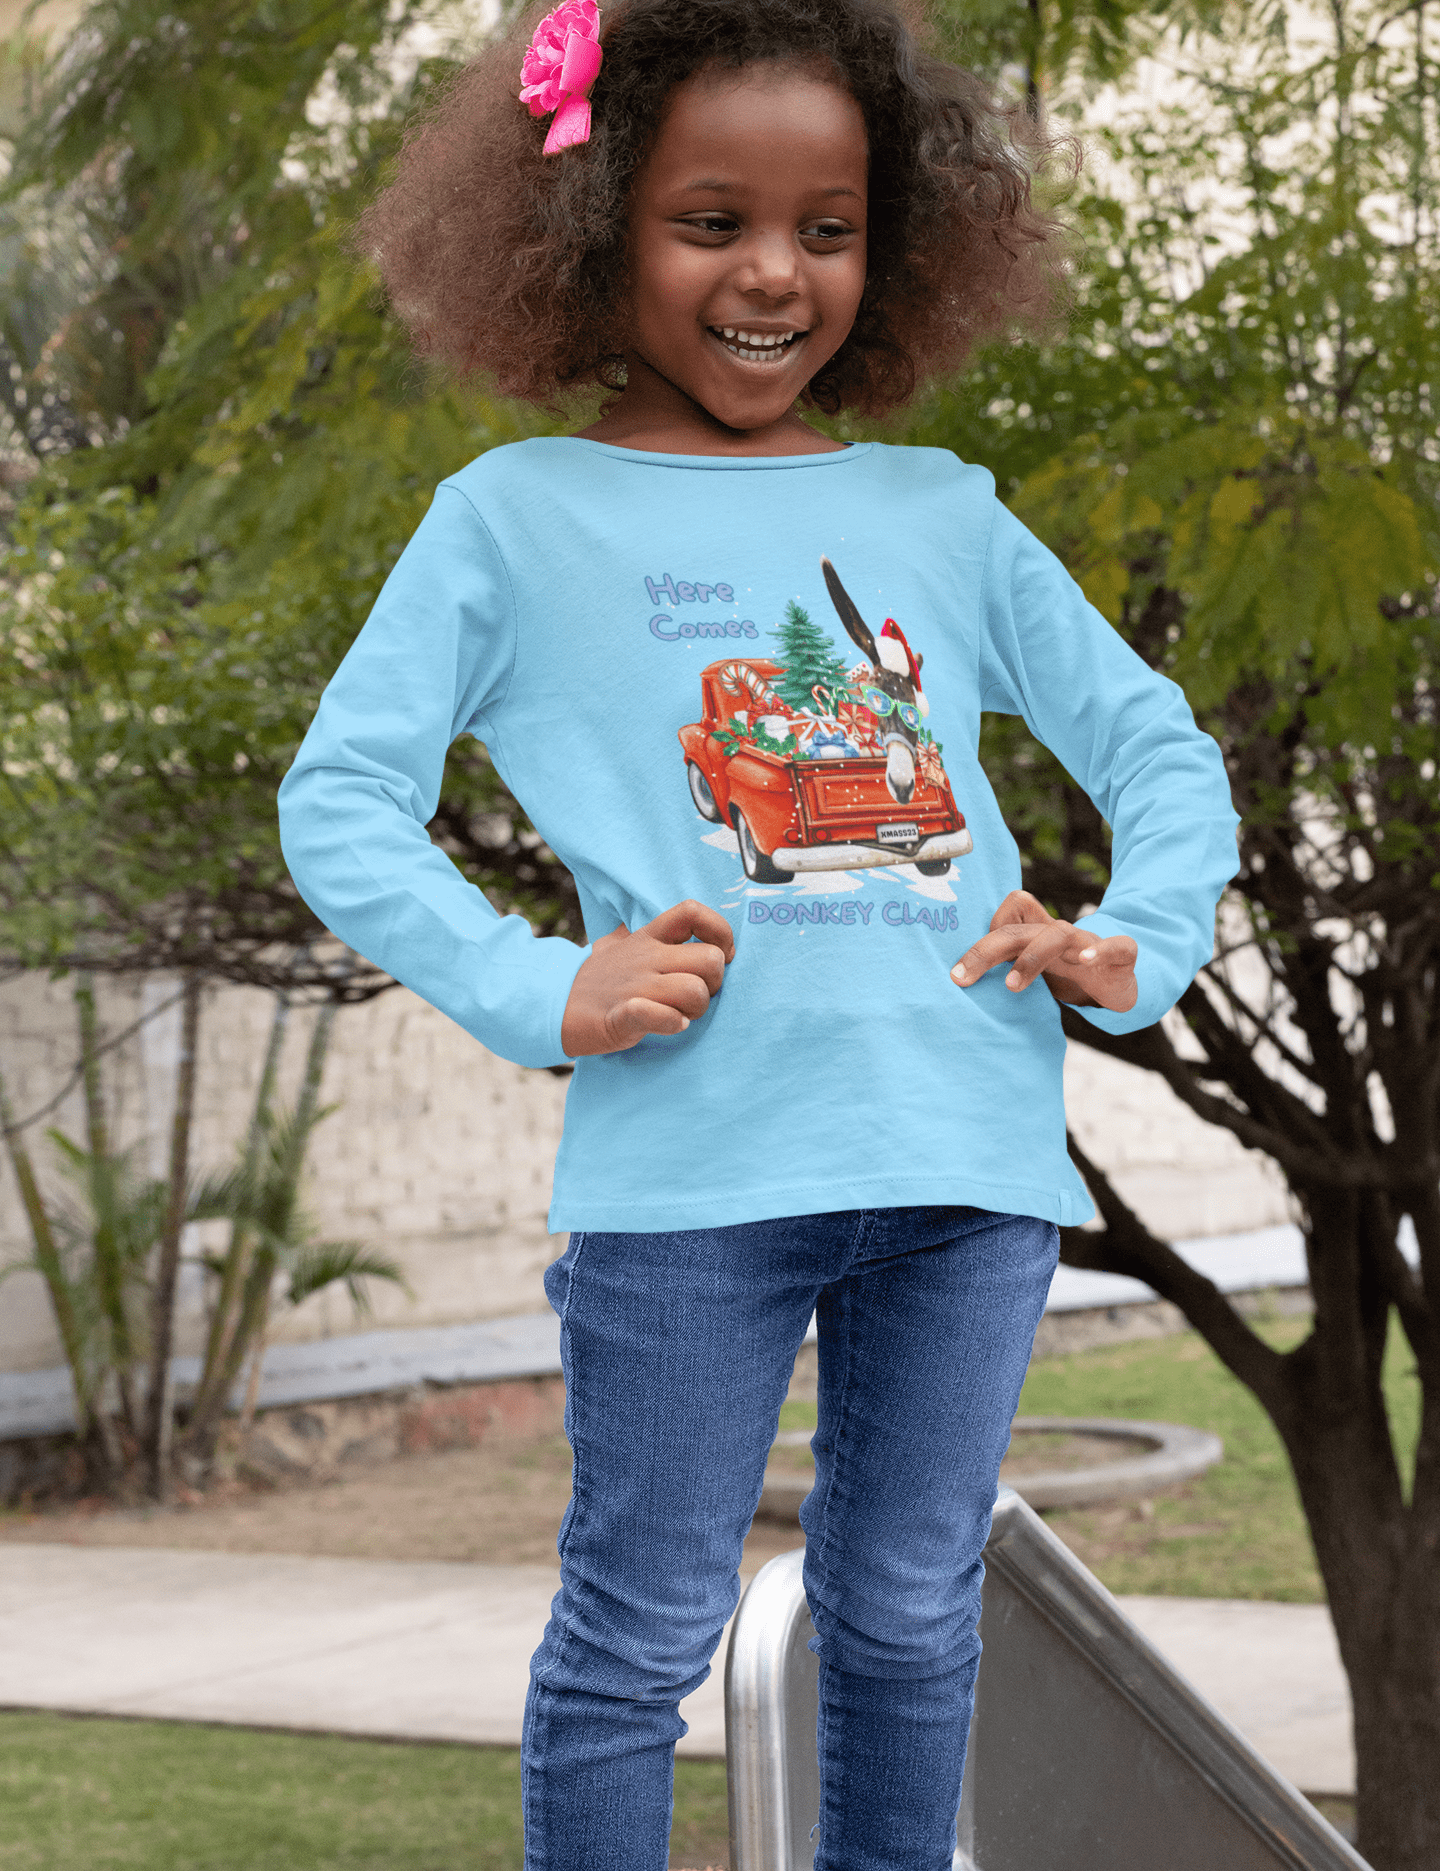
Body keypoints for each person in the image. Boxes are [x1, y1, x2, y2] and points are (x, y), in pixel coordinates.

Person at [277, 0, 1239, 1863]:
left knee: (908, 1615)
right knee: (641, 1638)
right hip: (687, 1183)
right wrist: (541, 984)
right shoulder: (512, 517)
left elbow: (1152, 740)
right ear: (592, 226)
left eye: (829, 225)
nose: (773, 274)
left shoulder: (939, 510)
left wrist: (1144, 933)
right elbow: (338, 799)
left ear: (895, 246)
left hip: (964, 1153)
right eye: (711, 218)